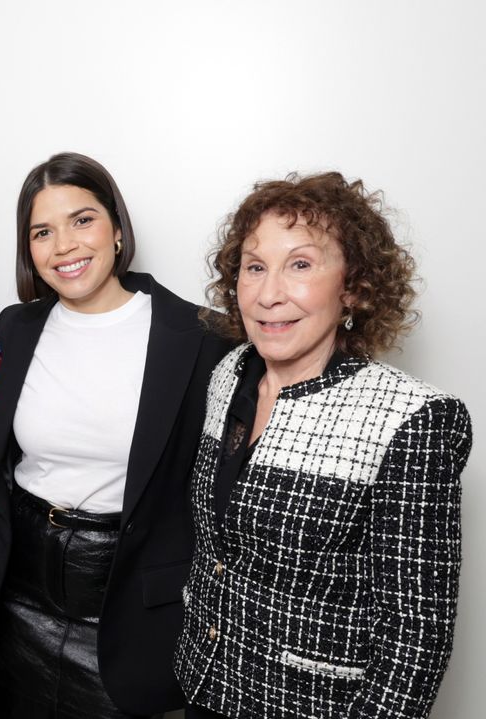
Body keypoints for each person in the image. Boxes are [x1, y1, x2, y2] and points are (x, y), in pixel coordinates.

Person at [175, 172, 473, 719]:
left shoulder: (413, 418)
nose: (269, 294)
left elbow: (415, 641)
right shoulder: (228, 375)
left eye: (302, 265)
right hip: (204, 687)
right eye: (255, 267)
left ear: (354, 286)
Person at [0, 152, 231, 718]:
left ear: (117, 229)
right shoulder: (16, 329)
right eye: (42, 232)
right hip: (20, 597)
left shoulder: (196, 337)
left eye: (82, 220)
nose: (64, 245)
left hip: (124, 605)